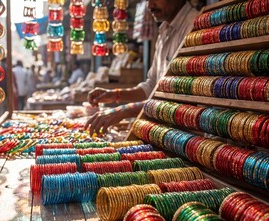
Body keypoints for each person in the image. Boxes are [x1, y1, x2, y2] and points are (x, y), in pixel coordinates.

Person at [85, 0, 199, 135]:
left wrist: (124, 110)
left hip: (188, 136)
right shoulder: (164, 31)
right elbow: (152, 85)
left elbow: (180, 96)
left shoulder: (194, 26)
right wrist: (115, 95)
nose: (150, 6)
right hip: (166, 132)